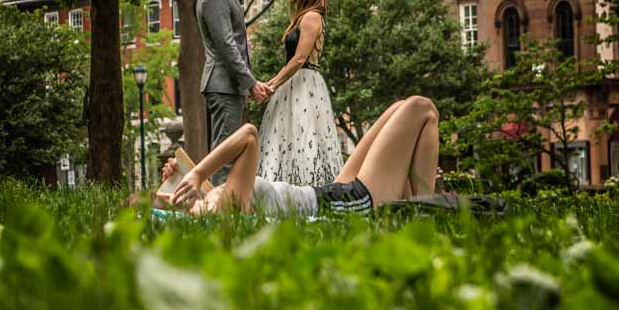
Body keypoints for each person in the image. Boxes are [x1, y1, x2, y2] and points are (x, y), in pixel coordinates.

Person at [159, 96, 439, 217]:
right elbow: (248, 135)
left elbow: (203, 195)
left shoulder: (215, 202)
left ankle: (414, 208)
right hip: (350, 204)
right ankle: (425, 213)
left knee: (401, 107)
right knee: (421, 109)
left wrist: (183, 178)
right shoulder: (227, 210)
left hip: (330, 192)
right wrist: (197, 173)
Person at [195, 0, 272, 184]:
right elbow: (227, 46)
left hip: (229, 86)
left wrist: (247, 85)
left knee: (226, 153)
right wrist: (250, 82)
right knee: (223, 157)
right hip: (223, 86)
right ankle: (220, 216)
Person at [257, 0, 343, 186]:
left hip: (306, 84)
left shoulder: (312, 16)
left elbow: (299, 59)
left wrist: (272, 86)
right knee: (285, 139)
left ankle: (307, 191)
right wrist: (269, 85)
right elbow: (290, 62)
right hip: (293, 83)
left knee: (305, 138)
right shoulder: (303, 17)